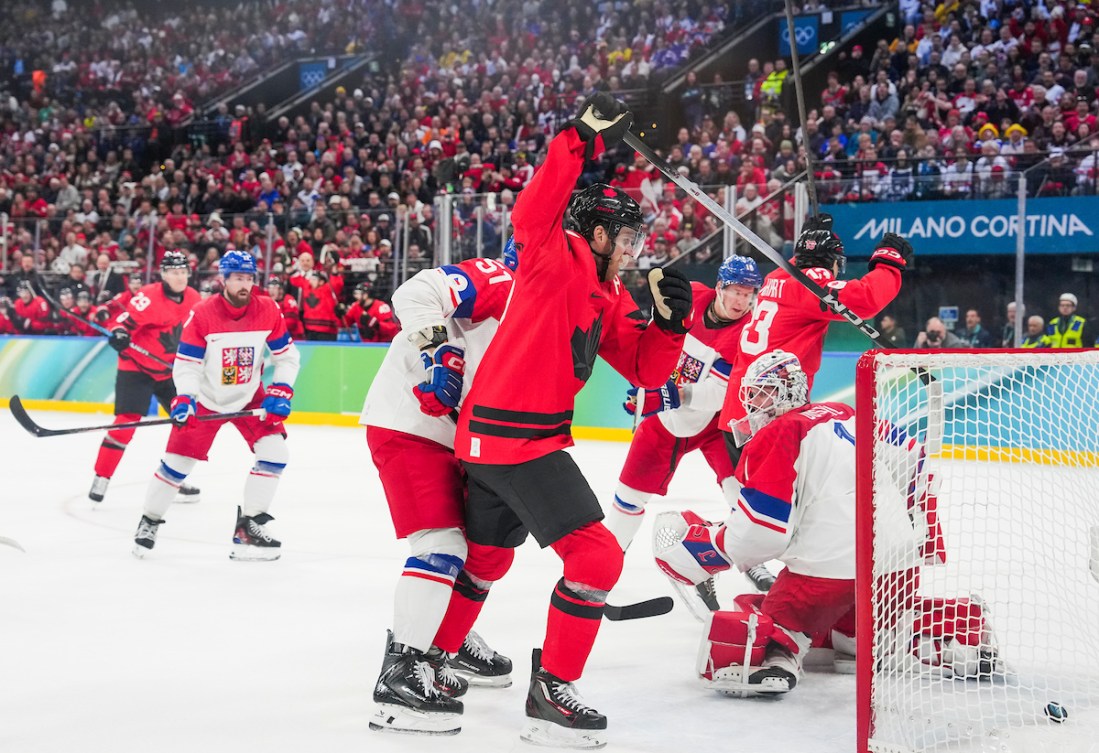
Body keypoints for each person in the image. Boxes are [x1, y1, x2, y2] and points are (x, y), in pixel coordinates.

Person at [450, 93, 693, 749]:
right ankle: (551, 683)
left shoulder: (607, 294)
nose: (636, 250)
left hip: (499, 440)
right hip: (515, 440)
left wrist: (672, 327)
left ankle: (429, 650)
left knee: (487, 559)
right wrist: (579, 137)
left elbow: (641, 370)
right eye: (629, 238)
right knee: (595, 554)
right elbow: (533, 210)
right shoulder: (554, 257)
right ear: (596, 233)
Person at [362, 256, 518, 735]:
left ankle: (445, 640)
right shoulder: (503, 277)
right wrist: (437, 353)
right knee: (442, 547)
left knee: (486, 551)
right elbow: (414, 292)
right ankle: (399, 675)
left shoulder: (558, 302)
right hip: (410, 426)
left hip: (465, 437)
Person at [651, 350, 859, 695]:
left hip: (828, 573)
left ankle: (776, 660)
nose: (752, 400)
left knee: (772, 617)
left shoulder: (780, 432)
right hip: (887, 572)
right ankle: (860, 638)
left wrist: (711, 550)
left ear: (786, 391)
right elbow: (914, 460)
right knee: (854, 611)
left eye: (763, 390)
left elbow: (763, 531)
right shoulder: (845, 413)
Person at [608, 255, 772, 601]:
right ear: (719, 287)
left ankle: (753, 561)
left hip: (714, 423)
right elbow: (657, 339)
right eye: (736, 292)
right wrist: (648, 382)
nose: (742, 301)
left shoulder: (748, 333)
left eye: (749, 293)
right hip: (667, 423)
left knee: (740, 494)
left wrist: (666, 395)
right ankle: (603, 566)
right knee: (628, 496)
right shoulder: (690, 298)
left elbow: (717, 392)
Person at [131, 250, 300, 560]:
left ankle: (249, 526)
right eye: (238, 278)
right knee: (176, 465)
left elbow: (287, 356)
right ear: (224, 279)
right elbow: (187, 364)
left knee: (275, 452)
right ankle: (149, 521)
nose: (245, 284)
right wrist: (186, 398)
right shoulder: (203, 313)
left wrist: (282, 388)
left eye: (249, 278)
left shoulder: (267, 310)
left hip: (250, 396)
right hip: (207, 399)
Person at [719, 215, 912, 449]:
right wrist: (888, 262)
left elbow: (802, 267)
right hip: (770, 414)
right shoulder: (811, 288)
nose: (837, 270)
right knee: (774, 486)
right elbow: (866, 298)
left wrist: (810, 240)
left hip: (739, 411)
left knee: (745, 485)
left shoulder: (776, 277)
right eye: (836, 263)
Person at [88, 252, 203, 504]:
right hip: (136, 367)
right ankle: (102, 477)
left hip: (169, 370)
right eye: (174, 272)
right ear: (164, 275)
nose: (180, 277)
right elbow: (122, 324)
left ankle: (173, 478)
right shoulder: (148, 297)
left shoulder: (194, 298)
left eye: (183, 272)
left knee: (186, 422)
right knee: (126, 423)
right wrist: (118, 335)